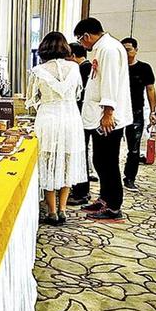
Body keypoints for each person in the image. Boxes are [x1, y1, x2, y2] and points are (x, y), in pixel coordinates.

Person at [74, 18, 133, 221]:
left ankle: (113, 206)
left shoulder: (109, 49)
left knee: (108, 162)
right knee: (100, 160)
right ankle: (104, 198)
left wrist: (108, 113)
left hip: (107, 118)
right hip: (100, 115)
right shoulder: (103, 48)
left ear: (86, 36)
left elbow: (110, 82)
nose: (82, 45)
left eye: (81, 40)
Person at [26, 32, 87, 225]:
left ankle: (51, 211)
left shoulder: (37, 71)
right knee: (67, 161)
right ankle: (63, 209)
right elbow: (77, 94)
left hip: (48, 119)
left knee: (47, 161)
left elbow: (31, 100)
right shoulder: (74, 68)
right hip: (71, 119)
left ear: (44, 48)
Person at [120, 37, 156, 191]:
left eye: (128, 49)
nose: (125, 52)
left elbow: (150, 89)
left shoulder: (144, 68)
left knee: (134, 148)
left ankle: (129, 178)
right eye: (123, 49)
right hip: (117, 111)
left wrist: (153, 112)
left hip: (136, 111)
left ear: (136, 50)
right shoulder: (117, 67)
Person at [67, 42, 94, 205]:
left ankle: (81, 192)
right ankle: (81, 190)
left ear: (72, 56)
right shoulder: (87, 67)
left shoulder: (82, 69)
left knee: (79, 154)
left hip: (81, 117)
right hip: (84, 117)